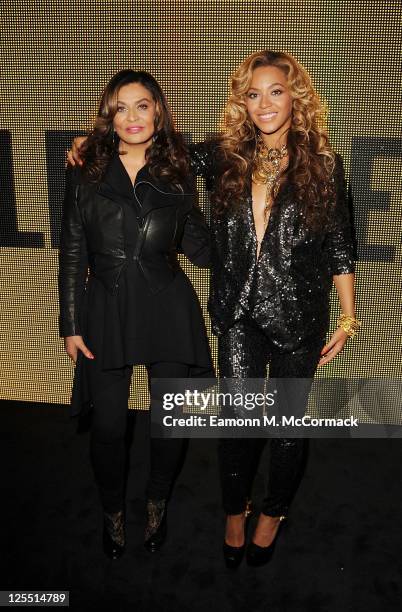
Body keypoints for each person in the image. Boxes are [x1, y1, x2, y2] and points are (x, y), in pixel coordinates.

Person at [68, 51, 359, 569]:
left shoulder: (325, 166)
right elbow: (160, 150)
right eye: (253, 94)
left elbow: (340, 247)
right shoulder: (223, 155)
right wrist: (93, 143)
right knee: (239, 426)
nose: (264, 103)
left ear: (297, 96)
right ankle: (233, 512)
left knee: (288, 427)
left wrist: (347, 317)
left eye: (275, 91)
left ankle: (272, 516)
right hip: (239, 314)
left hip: (301, 315)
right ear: (242, 103)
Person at [59, 69, 213, 560]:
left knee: (169, 423)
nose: (132, 117)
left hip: (168, 307)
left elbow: (201, 249)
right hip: (106, 308)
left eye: (142, 105)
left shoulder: (178, 169)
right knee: (108, 427)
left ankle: (155, 506)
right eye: (120, 107)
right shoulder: (85, 169)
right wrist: (70, 324)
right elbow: (72, 251)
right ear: (109, 115)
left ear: (158, 111)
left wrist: (232, 216)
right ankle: (113, 512)